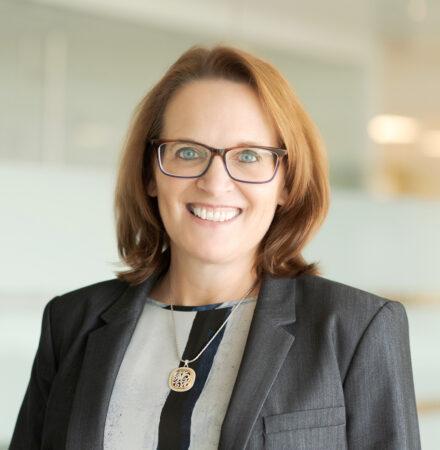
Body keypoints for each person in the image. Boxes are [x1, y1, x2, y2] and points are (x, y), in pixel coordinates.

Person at [10, 44, 421, 450]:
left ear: (286, 183)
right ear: (150, 174)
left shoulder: (355, 327)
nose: (215, 182)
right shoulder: (70, 324)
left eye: (248, 156)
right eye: (188, 152)